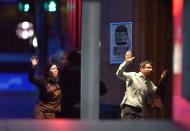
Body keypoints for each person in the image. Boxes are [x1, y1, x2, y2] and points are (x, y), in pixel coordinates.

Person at [116, 50, 157, 120]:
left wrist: (162, 79)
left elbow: (157, 91)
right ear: (141, 69)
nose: (151, 69)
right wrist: (126, 63)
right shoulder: (133, 75)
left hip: (140, 111)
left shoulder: (149, 83)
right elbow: (119, 74)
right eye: (148, 67)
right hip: (129, 109)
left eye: (151, 68)